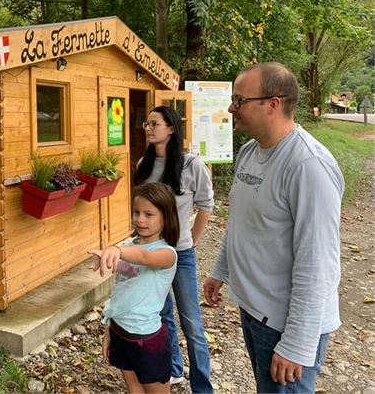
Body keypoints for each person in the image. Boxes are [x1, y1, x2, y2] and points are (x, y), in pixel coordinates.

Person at [203, 62, 344, 393]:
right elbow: (242, 220)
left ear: (273, 103)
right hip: (254, 311)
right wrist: (220, 270)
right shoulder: (250, 152)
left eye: (239, 100)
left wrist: (296, 343)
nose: (231, 107)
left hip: (285, 324)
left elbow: (318, 263)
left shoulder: (308, 166)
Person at [134, 105, 214, 393]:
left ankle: (203, 387)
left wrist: (190, 240)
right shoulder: (144, 164)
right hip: (151, 254)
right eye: (147, 123)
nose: (148, 127)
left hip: (180, 255)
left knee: (192, 324)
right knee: (162, 314)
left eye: (155, 123)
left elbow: (206, 206)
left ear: (171, 128)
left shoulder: (192, 164)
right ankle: (174, 369)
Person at [89, 183, 179, 394]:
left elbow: (145, 257)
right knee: (134, 390)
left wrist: (115, 250)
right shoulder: (130, 244)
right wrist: (109, 330)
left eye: (149, 214)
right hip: (120, 332)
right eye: (136, 212)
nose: (140, 219)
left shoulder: (167, 253)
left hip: (147, 339)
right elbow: (121, 291)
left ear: (166, 217)